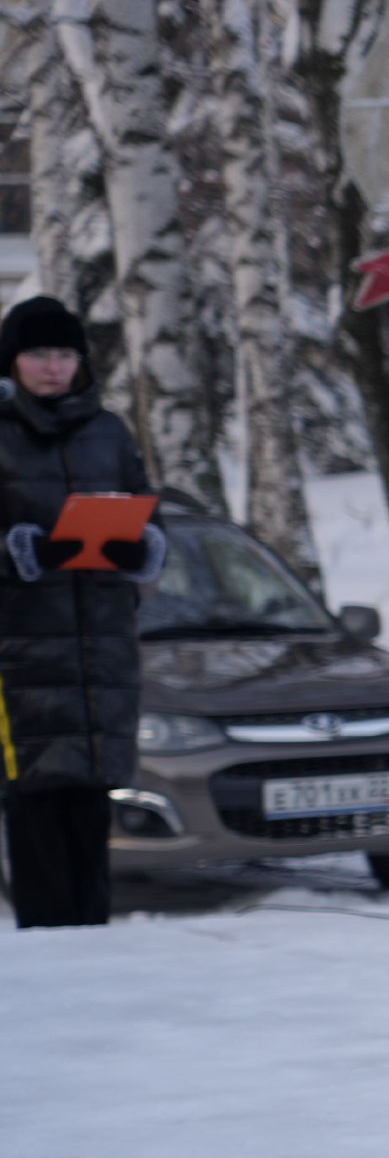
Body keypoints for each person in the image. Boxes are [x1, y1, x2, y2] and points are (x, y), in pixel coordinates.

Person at [0, 297, 165, 929]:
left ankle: (93, 947)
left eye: (65, 354)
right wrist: (26, 552)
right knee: (37, 802)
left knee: (90, 805)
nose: (52, 368)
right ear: (13, 360)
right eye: (38, 354)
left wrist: (138, 547)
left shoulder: (110, 432)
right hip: (21, 656)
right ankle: (48, 948)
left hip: (102, 649)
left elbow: (150, 516)